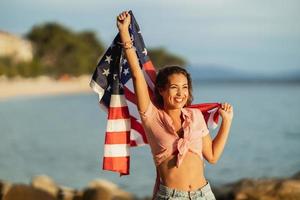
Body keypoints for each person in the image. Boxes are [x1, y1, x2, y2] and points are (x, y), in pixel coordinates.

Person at [117, 11, 234, 200]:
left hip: (204, 194)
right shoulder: (151, 116)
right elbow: (138, 75)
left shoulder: (195, 117)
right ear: (162, 90)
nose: (181, 93)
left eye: (185, 87)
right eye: (174, 87)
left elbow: (212, 156)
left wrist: (226, 122)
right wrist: (124, 34)